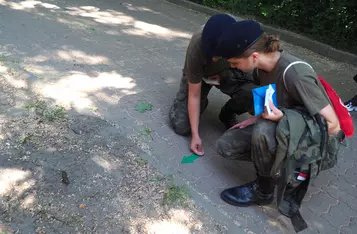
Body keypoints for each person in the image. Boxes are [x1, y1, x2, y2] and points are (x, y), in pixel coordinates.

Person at [213, 20, 343, 208]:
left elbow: (332, 125)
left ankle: (264, 190)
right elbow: (268, 95)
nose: (233, 67)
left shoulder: (296, 74)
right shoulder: (263, 68)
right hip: (290, 128)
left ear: (254, 56)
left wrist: (282, 118)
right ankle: (277, 164)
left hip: (321, 145)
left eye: (235, 63)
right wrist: (254, 118)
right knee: (227, 145)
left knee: (264, 131)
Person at [169, 14, 258, 156]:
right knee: (182, 126)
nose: (214, 59)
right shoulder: (197, 45)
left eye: (218, 55)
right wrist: (195, 135)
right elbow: (194, 94)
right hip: (201, 76)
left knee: (253, 92)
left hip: (226, 73)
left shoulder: (241, 41)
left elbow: (261, 81)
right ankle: (182, 102)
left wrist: (258, 116)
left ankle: (227, 113)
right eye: (211, 55)